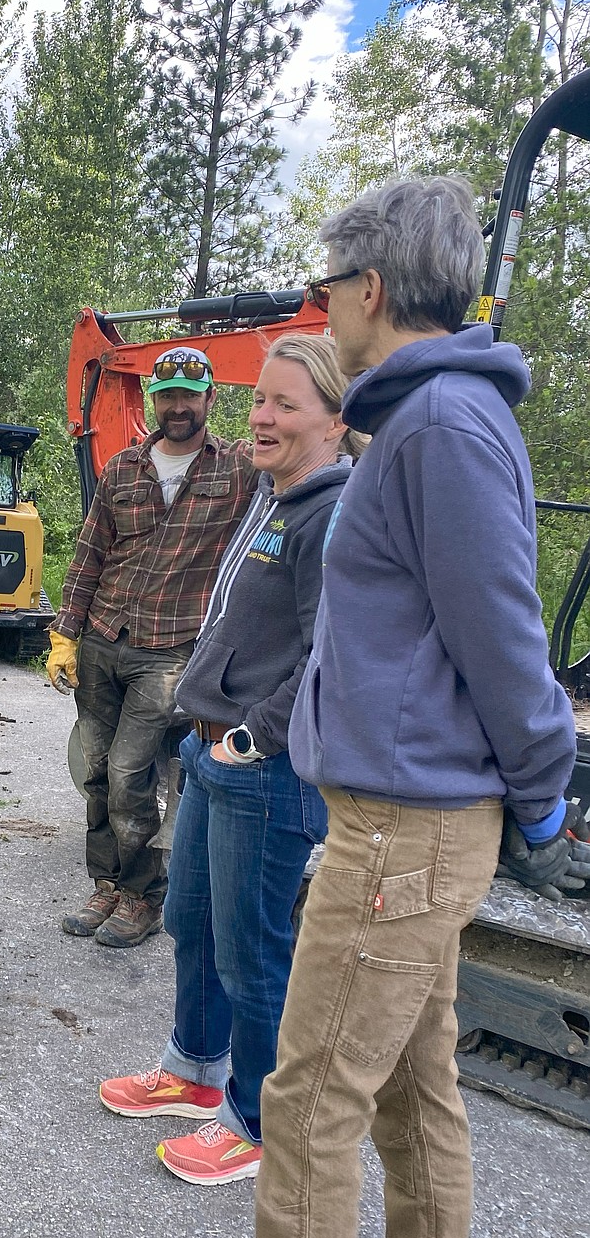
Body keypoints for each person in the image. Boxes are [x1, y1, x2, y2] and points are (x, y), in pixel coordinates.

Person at [201, 176, 590, 1238]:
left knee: (309, 1102)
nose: (323, 304)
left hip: (405, 839)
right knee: (415, 1100)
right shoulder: (424, 423)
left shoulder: (441, 430)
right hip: (397, 829)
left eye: (328, 287)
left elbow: (506, 640)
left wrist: (545, 797)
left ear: (370, 290)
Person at [99, 334, 360, 1185]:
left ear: (336, 416)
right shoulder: (274, 496)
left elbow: (334, 651)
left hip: (263, 768)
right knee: (192, 925)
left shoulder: (331, 512)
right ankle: (193, 1072)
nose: (263, 418)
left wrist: (257, 736)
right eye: (259, 401)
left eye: (286, 404)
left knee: (253, 952)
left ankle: (258, 1122)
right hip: (211, 749)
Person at [47, 350, 257, 948]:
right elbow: (90, 555)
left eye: (190, 394)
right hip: (103, 638)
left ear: (211, 399)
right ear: (152, 401)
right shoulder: (123, 469)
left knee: (129, 773)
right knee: (92, 769)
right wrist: (66, 632)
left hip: (171, 649)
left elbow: (316, 457)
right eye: (167, 395)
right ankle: (106, 884)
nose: (178, 406)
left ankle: (144, 895)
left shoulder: (238, 468)